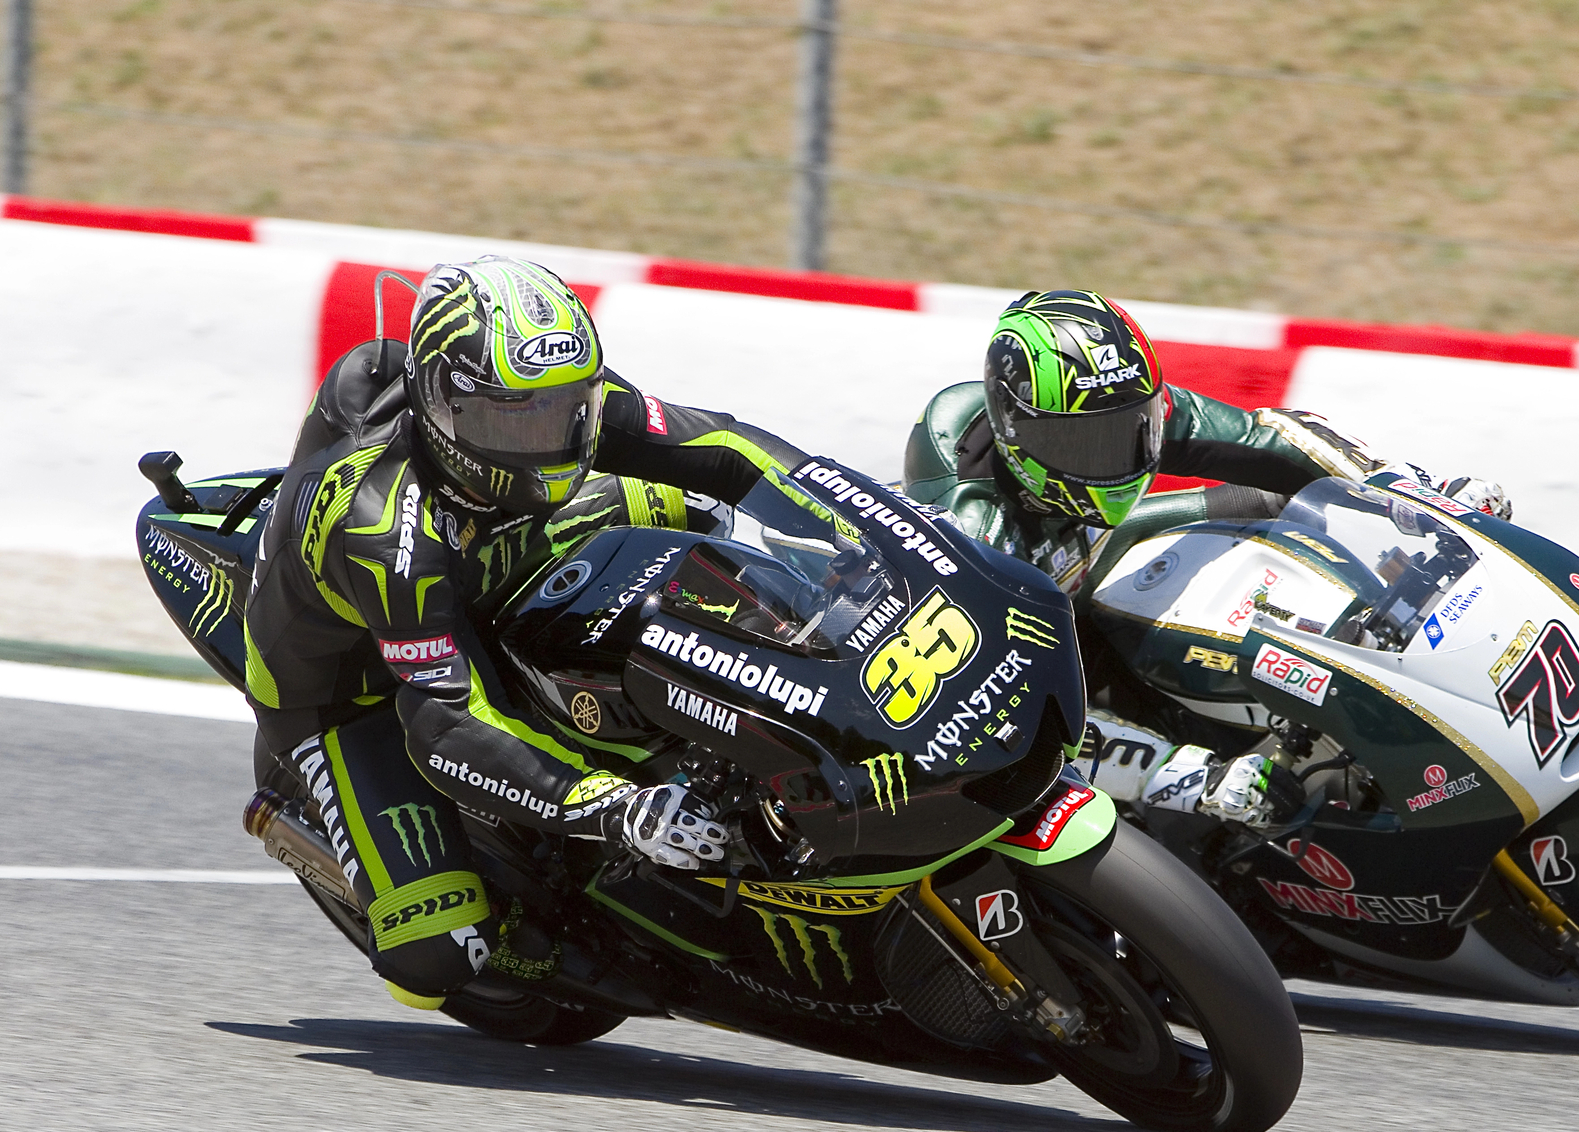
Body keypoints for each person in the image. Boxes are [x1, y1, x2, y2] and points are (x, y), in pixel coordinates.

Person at [244, 255, 809, 1009]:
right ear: (443, 404)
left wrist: (848, 512)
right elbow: (443, 721)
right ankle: (320, 828)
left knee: (682, 504)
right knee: (438, 957)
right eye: (510, 417)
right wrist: (614, 807)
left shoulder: (561, 405)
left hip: (489, 567)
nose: (540, 440)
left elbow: (729, 451)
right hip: (356, 693)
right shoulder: (384, 531)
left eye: (557, 411)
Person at [903, 288, 1510, 831]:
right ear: (1017, 429)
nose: (1115, 459)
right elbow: (1002, 722)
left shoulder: (1118, 404)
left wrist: (1411, 495)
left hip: (1087, 550)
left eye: (1130, 431)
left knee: (1265, 500)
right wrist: (1191, 776)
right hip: (1010, 645)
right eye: (1083, 444)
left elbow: (1268, 439)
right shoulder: (973, 531)